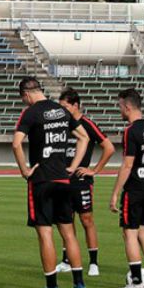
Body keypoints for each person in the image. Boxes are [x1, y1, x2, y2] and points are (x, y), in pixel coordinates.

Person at [11, 77, 89, 288]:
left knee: (45, 233)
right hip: (63, 179)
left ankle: (52, 287)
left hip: (41, 180)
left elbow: (16, 143)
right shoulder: (62, 110)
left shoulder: (31, 112)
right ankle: (79, 285)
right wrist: (73, 166)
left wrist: (24, 170)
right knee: (69, 233)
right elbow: (83, 138)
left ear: (26, 94)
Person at [56, 87, 114, 277]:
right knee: (66, 220)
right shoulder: (61, 124)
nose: (62, 111)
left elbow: (108, 147)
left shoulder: (87, 124)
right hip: (64, 179)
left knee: (86, 219)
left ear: (75, 106)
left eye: (65, 107)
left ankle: (94, 262)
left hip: (81, 180)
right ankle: (66, 260)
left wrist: (94, 170)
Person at [110, 88, 144, 288]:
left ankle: (137, 281)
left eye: (120, 106)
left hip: (136, 187)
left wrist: (115, 193)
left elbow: (127, 165)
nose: (119, 110)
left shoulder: (131, 131)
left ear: (128, 106)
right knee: (141, 229)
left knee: (129, 232)